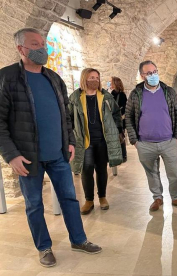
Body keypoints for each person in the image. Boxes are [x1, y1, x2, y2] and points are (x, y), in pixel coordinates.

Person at [0, 28, 101, 267]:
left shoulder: (53, 77)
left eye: (43, 44)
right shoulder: (7, 78)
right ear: (20, 49)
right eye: (35, 44)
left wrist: (70, 141)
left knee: (69, 198)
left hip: (58, 154)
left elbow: (65, 115)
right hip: (27, 157)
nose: (42, 48)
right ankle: (44, 247)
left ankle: (79, 239)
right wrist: (11, 155)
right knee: (34, 204)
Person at [125, 60, 177, 211]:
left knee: (174, 172)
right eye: (149, 73)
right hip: (145, 143)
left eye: (155, 72)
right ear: (142, 76)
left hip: (168, 141)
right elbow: (128, 117)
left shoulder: (169, 92)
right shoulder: (136, 95)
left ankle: (176, 198)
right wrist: (134, 141)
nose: (153, 75)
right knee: (152, 173)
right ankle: (157, 198)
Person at [69, 68, 123, 215]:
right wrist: (70, 137)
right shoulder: (75, 98)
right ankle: (89, 200)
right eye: (91, 77)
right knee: (86, 170)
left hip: (103, 140)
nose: (95, 80)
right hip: (84, 141)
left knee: (101, 169)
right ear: (84, 79)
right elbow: (68, 119)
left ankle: (103, 197)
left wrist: (118, 130)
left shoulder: (105, 97)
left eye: (97, 77)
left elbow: (116, 114)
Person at [111, 76, 128, 162]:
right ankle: (117, 155)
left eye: (112, 82)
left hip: (121, 119)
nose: (111, 84)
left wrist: (121, 115)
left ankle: (123, 155)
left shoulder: (122, 95)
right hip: (113, 118)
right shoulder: (112, 93)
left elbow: (125, 107)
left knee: (121, 136)